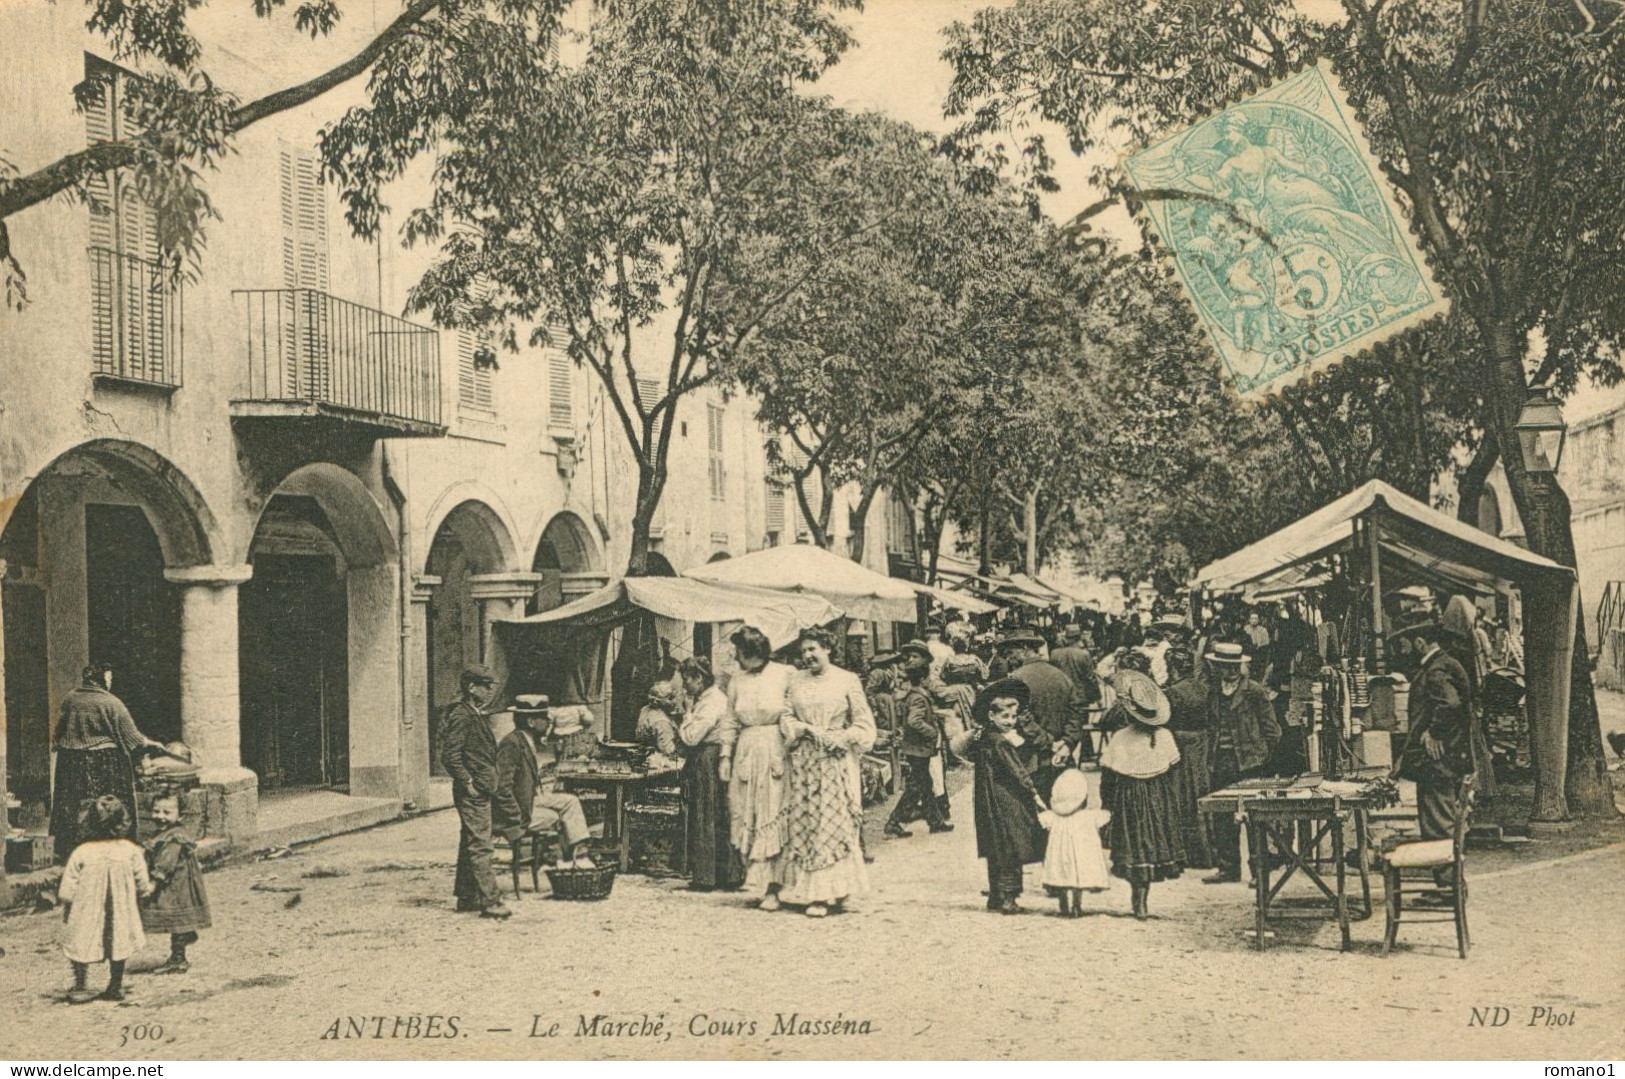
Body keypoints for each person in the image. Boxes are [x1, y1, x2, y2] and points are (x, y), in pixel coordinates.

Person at [779, 628, 877, 916]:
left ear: (828, 649)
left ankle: (838, 892)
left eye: (813, 649)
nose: (807, 656)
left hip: (836, 759)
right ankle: (816, 893)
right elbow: (786, 716)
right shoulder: (795, 681)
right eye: (803, 652)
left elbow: (863, 724)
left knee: (836, 824)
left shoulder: (846, 680)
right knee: (809, 822)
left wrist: (842, 738)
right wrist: (800, 729)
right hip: (805, 762)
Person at [1391, 612, 1475, 889]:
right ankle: (1448, 886)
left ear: (1419, 643)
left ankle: (1449, 888)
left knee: (1438, 826)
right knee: (1438, 824)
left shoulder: (1436, 670)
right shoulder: (1444, 664)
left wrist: (1434, 732)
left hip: (1438, 764)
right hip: (1443, 762)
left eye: (1403, 644)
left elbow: (1450, 704)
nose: (1401, 650)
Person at [951, 679, 1049, 914]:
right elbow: (1017, 770)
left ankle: (995, 896)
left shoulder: (984, 739)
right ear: (992, 716)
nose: (1010, 722)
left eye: (1013, 717)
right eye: (1005, 717)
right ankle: (1008, 897)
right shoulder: (1001, 743)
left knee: (995, 846)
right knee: (1011, 845)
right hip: (1007, 799)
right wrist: (1034, 793)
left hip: (988, 799)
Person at [51, 664, 167, 862]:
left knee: (71, 806)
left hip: (70, 763)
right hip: (104, 763)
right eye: (109, 678)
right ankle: (111, 849)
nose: (111, 682)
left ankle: (69, 850)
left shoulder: (70, 698)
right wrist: (153, 744)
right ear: (102, 679)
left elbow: (59, 732)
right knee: (107, 806)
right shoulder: (112, 703)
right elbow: (134, 738)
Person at [718, 626, 795, 911]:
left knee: (773, 811)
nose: (735, 657)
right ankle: (758, 883)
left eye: (738, 652)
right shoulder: (736, 680)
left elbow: (791, 711)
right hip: (746, 750)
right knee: (746, 810)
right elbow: (729, 720)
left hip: (775, 746)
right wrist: (725, 756)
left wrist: (791, 744)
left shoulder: (785, 674)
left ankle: (775, 887)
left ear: (751, 652)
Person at [1098, 670, 1184, 919]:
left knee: (1135, 846)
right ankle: (1142, 902)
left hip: (1130, 798)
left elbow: (1108, 778)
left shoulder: (1121, 738)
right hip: (1157, 798)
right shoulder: (1164, 736)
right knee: (1150, 844)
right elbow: (1173, 774)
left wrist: (1108, 806)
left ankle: (1139, 900)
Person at [58, 796, 152, 1003]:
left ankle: (81, 984)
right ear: (122, 823)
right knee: (119, 941)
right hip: (120, 908)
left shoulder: (82, 852)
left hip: (87, 909)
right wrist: (145, 892)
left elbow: (69, 885)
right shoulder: (130, 850)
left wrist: (67, 902)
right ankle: (115, 984)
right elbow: (142, 881)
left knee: (80, 939)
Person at [1201, 643, 1281, 884]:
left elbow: (1272, 730)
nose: (1231, 671)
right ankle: (1228, 868)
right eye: (1226, 666)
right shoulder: (1213, 691)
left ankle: (1259, 870)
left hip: (1249, 762)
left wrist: (1262, 756)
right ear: (1217, 667)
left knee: (1255, 816)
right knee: (1222, 814)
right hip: (1220, 759)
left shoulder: (1254, 691)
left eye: (1235, 666)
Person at [440, 663, 511, 919]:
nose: (491, 690)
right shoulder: (462, 716)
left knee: (469, 841)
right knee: (481, 845)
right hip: (474, 791)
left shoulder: (474, 713)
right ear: (471, 688)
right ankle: (491, 902)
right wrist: (468, 783)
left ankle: (467, 896)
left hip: (480, 788)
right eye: (486, 686)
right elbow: (450, 756)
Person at [493, 696, 594, 870]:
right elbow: (501, 787)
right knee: (557, 817)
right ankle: (565, 860)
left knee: (570, 801)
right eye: (545, 719)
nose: (549, 723)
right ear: (531, 721)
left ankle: (579, 854)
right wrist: (516, 816)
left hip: (527, 800)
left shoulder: (526, 740)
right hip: (514, 811)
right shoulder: (511, 744)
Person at [677, 658, 743, 892]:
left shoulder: (711, 702)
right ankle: (726, 874)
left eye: (687, 680)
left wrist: (686, 714)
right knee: (717, 813)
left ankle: (707, 877)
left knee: (706, 813)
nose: (685, 685)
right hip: (711, 758)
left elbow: (691, 737)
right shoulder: (709, 699)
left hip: (708, 758)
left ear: (700, 678)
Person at [885, 642, 952, 839]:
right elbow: (914, 721)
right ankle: (894, 821)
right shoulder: (917, 697)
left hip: (916, 748)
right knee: (917, 787)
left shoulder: (915, 694)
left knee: (924, 786)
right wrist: (932, 732)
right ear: (923, 678)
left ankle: (935, 822)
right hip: (918, 749)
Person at [139, 794, 211, 975]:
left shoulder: (174, 838)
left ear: (180, 816)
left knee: (175, 917)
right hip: (178, 884)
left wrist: (153, 884)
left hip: (176, 886)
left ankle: (179, 958)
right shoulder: (167, 834)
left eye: (167, 812)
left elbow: (166, 863)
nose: (160, 816)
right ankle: (183, 941)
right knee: (176, 919)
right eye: (156, 811)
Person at [1001, 631, 1079, 797]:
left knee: (1035, 814)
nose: (1007, 659)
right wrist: (1067, 743)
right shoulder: (1061, 676)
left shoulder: (1017, 679)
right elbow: (1076, 714)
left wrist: (1049, 743)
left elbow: (1021, 718)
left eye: (1009, 653)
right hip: (1063, 758)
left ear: (1024, 649)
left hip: (1033, 761)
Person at [1162, 646, 1216, 870]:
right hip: (1202, 742)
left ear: (1173, 667)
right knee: (1202, 794)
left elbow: (1163, 719)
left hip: (1180, 744)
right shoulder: (1204, 688)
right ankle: (1209, 851)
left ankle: (1187, 852)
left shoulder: (1172, 692)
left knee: (1181, 797)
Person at [1039, 768, 1112, 918]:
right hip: (1079, 858)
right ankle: (1076, 905)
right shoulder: (1088, 816)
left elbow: (1042, 819)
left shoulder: (1054, 817)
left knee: (1060, 876)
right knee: (1077, 880)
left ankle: (1063, 904)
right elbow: (1105, 816)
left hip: (1061, 857)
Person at [634, 681, 684, 767]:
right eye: (670, 698)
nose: (675, 701)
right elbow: (668, 750)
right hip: (661, 762)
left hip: (646, 756)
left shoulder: (645, 710)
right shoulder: (661, 721)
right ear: (658, 700)